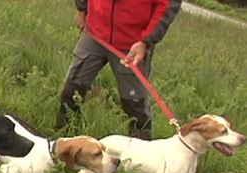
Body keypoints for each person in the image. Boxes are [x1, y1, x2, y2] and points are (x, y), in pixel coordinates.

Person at [56, 0, 182, 140]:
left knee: (135, 105)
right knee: (71, 90)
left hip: (133, 44)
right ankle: (63, 146)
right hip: (94, 32)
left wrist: (146, 41)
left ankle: (139, 157)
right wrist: (81, 9)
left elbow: (168, 5)